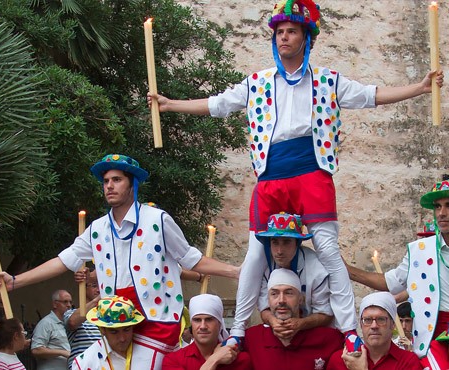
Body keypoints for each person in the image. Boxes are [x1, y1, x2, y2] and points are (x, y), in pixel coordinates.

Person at [147, 0, 445, 349]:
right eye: (279, 33)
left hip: (311, 172)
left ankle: (349, 329)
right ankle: (239, 330)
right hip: (271, 175)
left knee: (329, 250)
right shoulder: (257, 82)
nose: (284, 38)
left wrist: (420, 88)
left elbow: (372, 95)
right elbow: (217, 104)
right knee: (256, 254)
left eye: (291, 31)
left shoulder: (327, 80)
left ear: (306, 37)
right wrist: (170, 105)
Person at [0, 153, 240, 370]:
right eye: (106, 181)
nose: (109, 186)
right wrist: (15, 281)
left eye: (117, 180)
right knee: (81, 365)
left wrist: (236, 271)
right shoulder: (97, 229)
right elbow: (63, 260)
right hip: (115, 323)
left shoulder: (158, 219)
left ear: (132, 184)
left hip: (155, 322)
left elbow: (191, 258)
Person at [345, 179, 449, 362]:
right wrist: (347, 270)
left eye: (448, 206)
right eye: (438, 207)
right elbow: (390, 282)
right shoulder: (420, 250)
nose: (442, 213)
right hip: (433, 339)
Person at [244, 268, 343, 370]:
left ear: (301, 299)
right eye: (274, 294)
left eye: (289, 293)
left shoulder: (328, 338)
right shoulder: (252, 338)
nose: (281, 300)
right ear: (268, 300)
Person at [256, 212, 333, 336]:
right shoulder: (263, 266)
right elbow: (264, 308)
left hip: (312, 334)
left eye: (286, 242)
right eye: (275, 242)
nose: (279, 251)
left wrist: (301, 324)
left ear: (297, 243)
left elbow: (326, 314)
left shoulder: (316, 270)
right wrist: (272, 320)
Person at [326, 292, 422, 370]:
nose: (374, 326)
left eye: (381, 319)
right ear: (361, 325)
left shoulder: (408, 362)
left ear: (393, 325)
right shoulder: (340, 359)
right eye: (367, 320)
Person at [162, 294, 252, 370]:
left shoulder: (240, 360)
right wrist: (214, 359)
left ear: (220, 324)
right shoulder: (173, 360)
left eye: (209, 319)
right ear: (191, 324)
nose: (203, 326)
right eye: (197, 320)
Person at [72, 296, 144, 370]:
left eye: (126, 330)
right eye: (114, 332)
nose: (122, 338)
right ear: (102, 329)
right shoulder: (85, 363)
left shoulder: (147, 352)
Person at [63, 271, 101, 369]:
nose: (98, 290)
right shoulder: (70, 313)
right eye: (94, 285)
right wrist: (97, 301)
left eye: (101, 285)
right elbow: (73, 322)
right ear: (84, 288)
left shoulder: (108, 315)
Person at [31, 290, 72, 370]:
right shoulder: (45, 323)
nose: (69, 305)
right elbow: (36, 350)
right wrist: (62, 352)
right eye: (65, 302)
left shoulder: (69, 323)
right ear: (54, 304)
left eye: (70, 302)